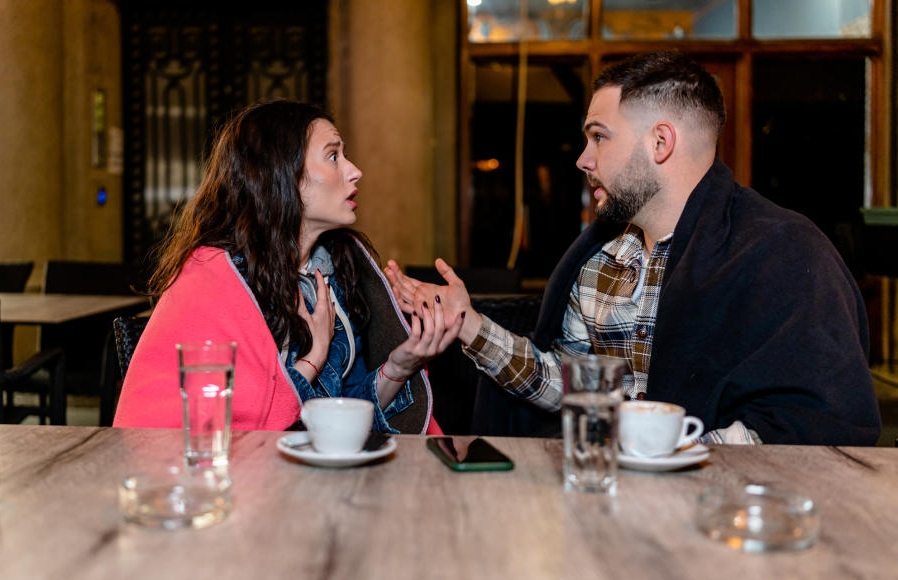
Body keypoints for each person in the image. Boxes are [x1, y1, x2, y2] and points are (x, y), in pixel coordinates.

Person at [385, 50, 881, 445]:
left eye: (599, 137)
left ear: (660, 142)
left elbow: (815, 422)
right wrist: (468, 325)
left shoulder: (784, 255)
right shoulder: (601, 263)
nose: (583, 159)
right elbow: (574, 387)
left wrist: (669, 455)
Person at [115, 101, 461, 434]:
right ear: (283, 174)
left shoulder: (333, 271)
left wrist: (398, 368)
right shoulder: (214, 280)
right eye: (333, 156)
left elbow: (337, 421)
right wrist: (311, 361)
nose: (355, 171)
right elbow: (222, 431)